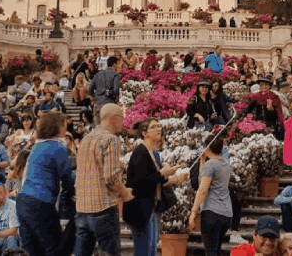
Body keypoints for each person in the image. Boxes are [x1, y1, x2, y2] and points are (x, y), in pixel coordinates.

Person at [74, 104, 133, 256]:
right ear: (114, 119)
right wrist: (125, 193)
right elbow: (111, 178)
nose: (123, 123)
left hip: (82, 207)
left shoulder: (85, 139)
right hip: (103, 207)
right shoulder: (111, 139)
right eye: (122, 119)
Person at [125, 118, 187, 256]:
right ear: (145, 133)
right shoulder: (140, 153)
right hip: (141, 210)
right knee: (144, 251)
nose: (159, 128)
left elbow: (155, 180)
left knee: (151, 249)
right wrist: (162, 173)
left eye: (159, 126)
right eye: (154, 126)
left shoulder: (153, 153)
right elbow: (141, 182)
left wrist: (173, 178)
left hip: (151, 207)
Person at [189, 132, 232, 256]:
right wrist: (203, 160)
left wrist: (193, 212)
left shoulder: (210, 165)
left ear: (207, 148)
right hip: (226, 213)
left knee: (211, 252)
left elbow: (202, 189)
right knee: (216, 250)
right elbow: (203, 178)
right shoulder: (225, 164)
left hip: (212, 212)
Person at [88, 56, 122, 124]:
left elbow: (89, 89)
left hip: (97, 105)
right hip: (109, 106)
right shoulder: (116, 75)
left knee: (97, 129)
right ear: (114, 64)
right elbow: (116, 91)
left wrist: (96, 96)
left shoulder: (98, 74)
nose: (120, 66)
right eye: (119, 64)